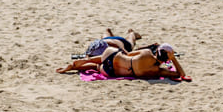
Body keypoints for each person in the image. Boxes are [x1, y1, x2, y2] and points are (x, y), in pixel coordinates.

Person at [57, 39, 186, 81]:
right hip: (111, 72)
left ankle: (77, 64)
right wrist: (173, 59)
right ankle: (81, 65)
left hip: (113, 57)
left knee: (103, 58)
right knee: (97, 68)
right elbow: (180, 75)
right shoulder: (158, 71)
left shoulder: (146, 53)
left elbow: (129, 54)